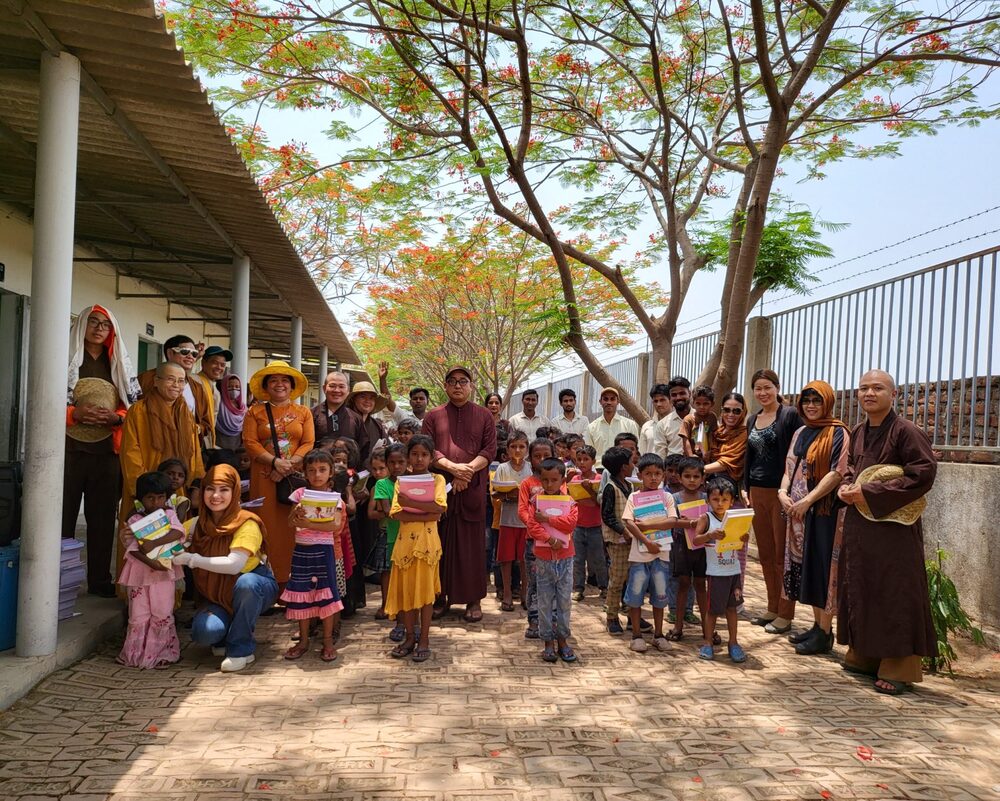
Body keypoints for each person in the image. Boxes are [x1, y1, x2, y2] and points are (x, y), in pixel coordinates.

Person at [836, 369, 937, 695]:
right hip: (861, 525)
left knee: (894, 592)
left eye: (877, 388)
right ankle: (865, 655)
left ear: (893, 394)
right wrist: (848, 486)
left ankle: (899, 667)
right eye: (863, 387)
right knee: (863, 587)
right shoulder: (859, 430)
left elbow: (923, 473)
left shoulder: (906, 431)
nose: (869, 393)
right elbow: (852, 468)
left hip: (894, 529)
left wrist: (871, 492)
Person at [63, 304, 141, 597]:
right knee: (62, 518)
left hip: (107, 451)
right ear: (82, 325)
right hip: (67, 450)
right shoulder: (66, 357)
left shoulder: (117, 362)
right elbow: (44, 395)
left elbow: (131, 403)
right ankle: (58, 578)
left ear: (112, 331)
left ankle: (98, 580)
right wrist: (74, 414)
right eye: (93, 322)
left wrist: (116, 418)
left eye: (105, 325)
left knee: (102, 518)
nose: (98, 328)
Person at [175, 464, 278, 672]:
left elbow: (234, 565)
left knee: (246, 584)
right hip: (216, 595)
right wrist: (134, 538)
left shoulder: (247, 523)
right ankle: (226, 631)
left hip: (254, 586)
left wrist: (190, 559)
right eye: (210, 489)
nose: (216, 496)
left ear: (235, 492)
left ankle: (241, 648)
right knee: (204, 632)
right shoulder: (195, 525)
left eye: (224, 490)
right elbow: (165, 546)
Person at [421, 366, 497, 623]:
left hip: (472, 489)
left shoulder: (485, 415)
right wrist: (452, 468)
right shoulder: (433, 416)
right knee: (439, 543)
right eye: (452, 381)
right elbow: (427, 448)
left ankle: (473, 600)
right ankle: (440, 597)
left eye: (463, 381)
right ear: (444, 386)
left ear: (471, 385)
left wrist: (466, 472)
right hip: (442, 488)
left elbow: (489, 450)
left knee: (472, 546)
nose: (457, 386)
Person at [779, 381, 849, 655]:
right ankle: (817, 626)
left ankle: (825, 631)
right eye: (806, 400)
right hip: (796, 511)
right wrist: (782, 492)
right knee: (805, 567)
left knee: (822, 568)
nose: (810, 405)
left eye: (816, 401)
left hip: (823, 512)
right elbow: (789, 466)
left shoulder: (838, 432)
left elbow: (837, 472)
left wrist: (809, 500)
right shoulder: (800, 432)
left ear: (828, 403)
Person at [119, 362, 204, 579]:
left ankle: (169, 602)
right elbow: (130, 453)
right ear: (156, 381)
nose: (176, 385)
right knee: (141, 545)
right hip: (147, 494)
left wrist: (195, 483)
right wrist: (145, 492)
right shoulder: (139, 412)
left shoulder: (185, 412)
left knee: (172, 543)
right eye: (170, 379)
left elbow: (194, 453)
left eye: (181, 380)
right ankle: (135, 598)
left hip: (176, 490)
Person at [242, 361, 315, 588]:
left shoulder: (303, 412)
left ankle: (292, 585)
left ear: (292, 386)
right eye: (273, 380)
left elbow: (308, 442)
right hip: (264, 477)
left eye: (284, 380)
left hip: (292, 480)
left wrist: (287, 466)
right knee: (265, 528)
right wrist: (274, 462)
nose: (279, 384)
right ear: (265, 386)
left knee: (294, 527)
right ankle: (267, 585)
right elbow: (250, 442)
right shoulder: (254, 412)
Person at [744, 369, 803, 634]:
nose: (763, 393)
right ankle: (770, 607)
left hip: (781, 493)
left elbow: (796, 454)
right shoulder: (752, 419)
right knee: (765, 554)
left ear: (777, 388)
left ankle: (785, 613)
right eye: (758, 388)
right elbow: (750, 457)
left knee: (781, 556)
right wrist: (745, 487)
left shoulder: (789, 415)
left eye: (768, 387)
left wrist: (789, 488)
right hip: (756, 492)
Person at [279, 449, 345, 663]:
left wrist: (305, 522)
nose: (317, 474)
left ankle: (327, 642)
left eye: (322, 470)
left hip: (324, 552)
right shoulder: (299, 494)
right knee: (301, 594)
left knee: (326, 596)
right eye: (312, 470)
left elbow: (334, 525)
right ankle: (304, 641)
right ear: (305, 473)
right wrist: (297, 516)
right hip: (301, 551)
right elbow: (290, 522)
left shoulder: (335, 497)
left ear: (331, 472)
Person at [386, 435, 448, 662]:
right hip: (404, 545)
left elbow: (439, 510)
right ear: (408, 457)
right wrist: (425, 509)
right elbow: (396, 513)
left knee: (426, 594)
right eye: (415, 454)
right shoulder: (401, 481)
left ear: (431, 457)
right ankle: (410, 636)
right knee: (406, 592)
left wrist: (411, 504)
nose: (419, 458)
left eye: (424, 454)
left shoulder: (438, 480)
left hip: (428, 545)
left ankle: (424, 639)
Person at [116, 472, 184, 669]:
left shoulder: (169, 515)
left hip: (162, 572)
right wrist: (150, 561)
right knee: (138, 613)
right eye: (150, 498)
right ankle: (134, 654)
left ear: (167, 497)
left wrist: (154, 542)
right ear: (140, 499)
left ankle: (163, 653)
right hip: (139, 572)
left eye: (160, 497)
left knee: (162, 611)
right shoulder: (134, 519)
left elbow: (179, 532)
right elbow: (132, 547)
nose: (156, 502)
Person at [621, 453, 679, 654]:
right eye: (648, 474)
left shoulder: (667, 497)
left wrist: (645, 525)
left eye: (657, 473)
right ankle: (636, 635)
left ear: (663, 475)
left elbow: (672, 521)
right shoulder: (634, 497)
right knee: (635, 596)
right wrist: (646, 540)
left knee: (660, 596)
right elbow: (629, 522)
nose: (653, 478)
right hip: (639, 556)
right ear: (640, 474)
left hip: (661, 556)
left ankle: (659, 635)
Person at [524, 458, 579, 663]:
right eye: (545, 480)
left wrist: (548, 520)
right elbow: (532, 526)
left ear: (562, 480)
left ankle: (563, 640)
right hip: (543, 557)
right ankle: (547, 642)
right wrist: (550, 539)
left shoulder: (569, 501)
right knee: (545, 601)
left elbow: (571, 523)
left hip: (565, 557)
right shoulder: (535, 501)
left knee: (564, 601)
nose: (549, 484)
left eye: (554, 480)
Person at [693, 475, 749, 663]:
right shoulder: (706, 518)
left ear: (732, 501)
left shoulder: (734, 518)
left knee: (732, 609)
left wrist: (743, 538)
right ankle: (708, 642)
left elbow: (739, 542)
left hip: (734, 571)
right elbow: (695, 540)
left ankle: (733, 642)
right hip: (716, 573)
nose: (720, 503)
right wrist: (710, 535)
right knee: (713, 610)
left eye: (725, 500)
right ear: (708, 500)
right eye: (716, 499)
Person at [138, 334, 214, 448]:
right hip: (153, 445)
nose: (190, 357)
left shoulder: (197, 387)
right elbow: (133, 412)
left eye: (194, 353)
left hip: (187, 447)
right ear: (170, 353)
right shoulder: (147, 379)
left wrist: (195, 428)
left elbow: (206, 423)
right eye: (184, 352)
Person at [516, 438, 556, 639]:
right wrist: (534, 524)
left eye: (546, 456)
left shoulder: (560, 483)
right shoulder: (527, 484)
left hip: (556, 542)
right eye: (537, 456)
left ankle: (552, 620)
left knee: (555, 581)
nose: (541, 460)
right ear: (530, 459)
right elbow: (522, 510)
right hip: (534, 541)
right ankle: (534, 620)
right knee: (535, 582)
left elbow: (566, 508)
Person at [669, 457, 710, 642]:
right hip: (680, 546)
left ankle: (706, 627)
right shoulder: (674, 498)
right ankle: (678, 626)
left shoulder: (707, 499)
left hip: (702, 547)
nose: (691, 480)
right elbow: (670, 520)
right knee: (683, 584)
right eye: (687, 476)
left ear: (702, 478)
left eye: (696, 476)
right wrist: (690, 522)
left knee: (701, 585)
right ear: (679, 477)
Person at [371, 443, 408, 641]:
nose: (396, 466)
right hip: (394, 539)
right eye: (392, 462)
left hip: (415, 540)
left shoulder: (414, 481)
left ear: (407, 462)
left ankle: (413, 624)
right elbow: (388, 511)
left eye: (401, 462)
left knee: (412, 584)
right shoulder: (382, 484)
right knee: (398, 584)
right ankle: (400, 623)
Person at [492, 431, 532, 612]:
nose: (517, 450)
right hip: (507, 520)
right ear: (507, 450)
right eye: (513, 447)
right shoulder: (502, 468)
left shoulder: (530, 469)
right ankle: (507, 593)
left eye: (521, 447)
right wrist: (509, 494)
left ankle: (525, 593)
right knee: (506, 559)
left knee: (524, 559)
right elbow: (495, 493)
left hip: (526, 522)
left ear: (527, 450)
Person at [601, 446, 635, 635]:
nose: (633, 465)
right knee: (617, 580)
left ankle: (632, 615)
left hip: (630, 540)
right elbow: (607, 515)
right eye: (631, 462)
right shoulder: (610, 487)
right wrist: (624, 531)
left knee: (632, 579)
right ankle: (612, 616)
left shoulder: (628, 485)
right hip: (617, 541)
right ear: (624, 467)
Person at [569, 445, 606, 602]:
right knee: (577, 559)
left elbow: (599, 502)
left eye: (586, 459)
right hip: (578, 525)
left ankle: (604, 587)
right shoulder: (574, 479)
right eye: (579, 459)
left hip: (596, 526)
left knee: (599, 559)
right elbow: (572, 499)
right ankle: (578, 588)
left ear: (593, 461)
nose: (582, 463)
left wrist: (589, 490)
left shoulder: (599, 479)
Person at [363, 448, 391, 619]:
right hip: (385, 532)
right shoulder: (375, 488)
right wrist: (388, 512)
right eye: (374, 469)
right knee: (386, 573)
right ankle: (385, 604)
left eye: (381, 468)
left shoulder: (399, 483)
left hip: (400, 533)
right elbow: (371, 513)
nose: (378, 472)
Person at [585, 387, 639, 467]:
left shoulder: (630, 425)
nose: (609, 402)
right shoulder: (591, 427)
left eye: (612, 399)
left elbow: (636, 451)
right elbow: (588, 454)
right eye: (606, 399)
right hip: (599, 470)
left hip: (622, 470)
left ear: (618, 402)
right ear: (600, 402)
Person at [311, 370, 363, 443]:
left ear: (348, 390)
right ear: (324, 388)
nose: (337, 390)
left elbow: (363, 448)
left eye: (341, 386)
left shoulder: (356, 419)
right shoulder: (311, 415)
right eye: (332, 386)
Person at [378, 362, 431, 427]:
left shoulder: (433, 419)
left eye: (421, 398)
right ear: (410, 402)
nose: (418, 401)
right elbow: (387, 399)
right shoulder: (403, 416)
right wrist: (382, 379)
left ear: (427, 402)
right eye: (415, 398)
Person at [347, 380, 388, 465]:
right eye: (363, 397)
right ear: (353, 399)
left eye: (371, 398)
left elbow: (388, 447)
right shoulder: (345, 420)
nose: (367, 401)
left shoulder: (377, 425)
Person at [197, 345, 231, 445]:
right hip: (198, 438)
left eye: (222, 365)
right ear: (203, 363)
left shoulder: (211, 385)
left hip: (207, 439)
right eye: (215, 363)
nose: (219, 368)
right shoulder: (196, 382)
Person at [656, 376, 691, 457]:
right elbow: (661, 455)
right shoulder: (662, 425)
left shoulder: (703, 419)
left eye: (682, 393)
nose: (678, 398)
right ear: (670, 397)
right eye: (674, 395)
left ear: (689, 393)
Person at [680, 385, 717, 460]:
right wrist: (691, 456)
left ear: (712, 404)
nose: (701, 407)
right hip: (692, 457)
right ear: (693, 403)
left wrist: (711, 451)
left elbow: (713, 435)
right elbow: (685, 439)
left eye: (706, 404)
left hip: (707, 457)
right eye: (698, 403)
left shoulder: (712, 417)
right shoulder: (688, 419)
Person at [215, 371, 247, 451]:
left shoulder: (243, 407)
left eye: (237, 386)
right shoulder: (218, 404)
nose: (234, 389)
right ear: (224, 388)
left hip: (237, 446)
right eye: (230, 386)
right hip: (220, 445)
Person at [638, 384, 671, 457]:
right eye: (655, 401)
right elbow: (642, 453)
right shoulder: (647, 426)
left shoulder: (680, 423)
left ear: (670, 400)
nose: (658, 404)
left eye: (662, 400)